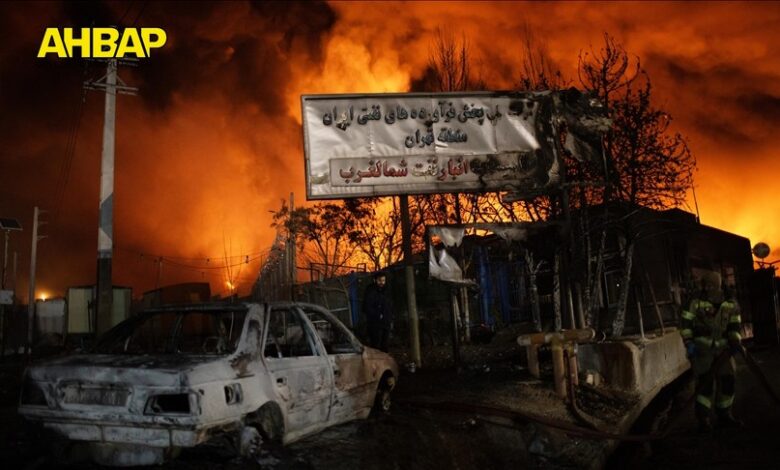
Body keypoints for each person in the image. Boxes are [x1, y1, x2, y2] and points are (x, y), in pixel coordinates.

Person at [680, 271, 743, 432]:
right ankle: (703, 420)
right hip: (702, 350)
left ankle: (725, 415)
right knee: (704, 385)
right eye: (705, 285)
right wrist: (689, 343)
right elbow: (686, 324)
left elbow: (735, 324)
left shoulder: (730, 302)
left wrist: (735, 340)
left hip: (723, 349)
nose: (707, 288)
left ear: (718, 285)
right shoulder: (695, 301)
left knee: (728, 380)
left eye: (711, 285)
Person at [363, 271, 393, 352]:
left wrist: (389, 317)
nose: (382, 282)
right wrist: (377, 315)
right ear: (375, 280)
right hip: (375, 323)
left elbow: (389, 304)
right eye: (380, 280)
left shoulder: (386, 290)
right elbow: (367, 306)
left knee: (385, 344)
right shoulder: (370, 291)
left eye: (383, 280)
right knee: (376, 344)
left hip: (386, 322)